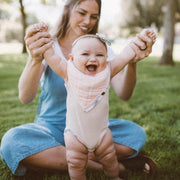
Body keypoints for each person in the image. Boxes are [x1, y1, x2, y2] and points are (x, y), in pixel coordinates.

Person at [0, 0, 156, 177]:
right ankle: (105, 165)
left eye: (94, 16)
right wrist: (35, 59)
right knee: (12, 141)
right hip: (51, 128)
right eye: (82, 13)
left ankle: (52, 159)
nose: (87, 21)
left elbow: (124, 93)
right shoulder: (48, 46)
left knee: (135, 134)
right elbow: (25, 97)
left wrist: (132, 62)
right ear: (67, 9)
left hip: (91, 128)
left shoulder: (99, 49)